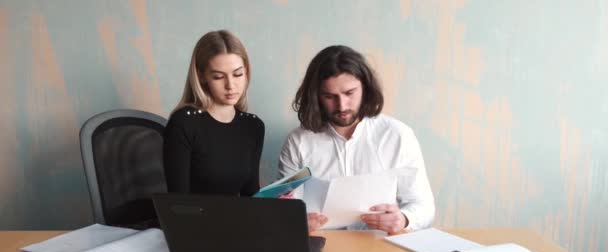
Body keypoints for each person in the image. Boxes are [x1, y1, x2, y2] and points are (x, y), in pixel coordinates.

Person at [278, 45, 435, 233]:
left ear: (365, 89)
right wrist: (295, 222)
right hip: (322, 247)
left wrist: (404, 219)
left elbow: (424, 206)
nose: (342, 106)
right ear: (316, 97)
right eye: (329, 96)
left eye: (349, 93)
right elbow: (284, 209)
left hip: (382, 247)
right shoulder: (298, 142)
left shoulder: (397, 136)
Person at [163, 30, 264, 196]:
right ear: (202, 76)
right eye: (218, 77)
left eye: (238, 74)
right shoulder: (183, 123)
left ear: (246, 72)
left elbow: (250, 195)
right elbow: (179, 203)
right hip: (195, 220)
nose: (230, 85)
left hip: (237, 220)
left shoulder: (253, 126)